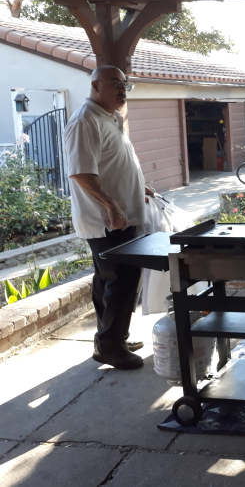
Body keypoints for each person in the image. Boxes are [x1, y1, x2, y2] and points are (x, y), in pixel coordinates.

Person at [64, 65, 154, 370]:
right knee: (121, 280)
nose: (122, 89)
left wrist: (138, 186)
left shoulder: (109, 117)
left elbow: (112, 163)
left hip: (120, 217)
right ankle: (111, 346)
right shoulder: (85, 121)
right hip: (108, 222)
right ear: (95, 85)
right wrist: (113, 207)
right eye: (115, 83)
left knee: (110, 280)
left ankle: (111, 338)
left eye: (124, 84)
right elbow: (82, 173)